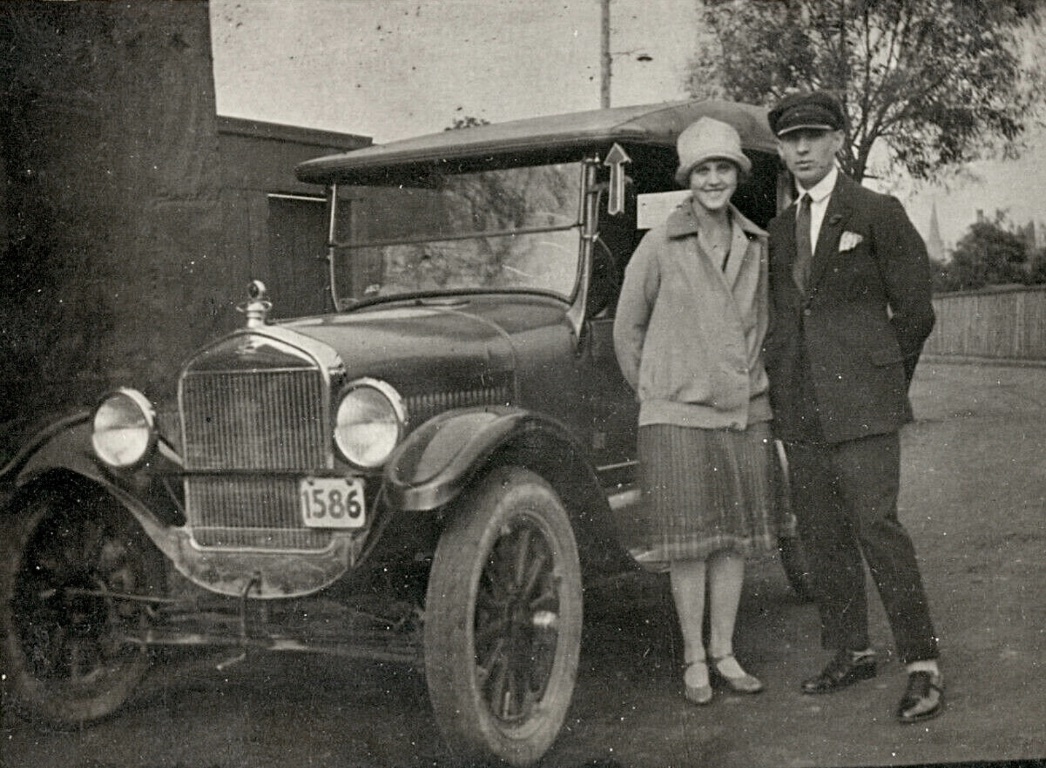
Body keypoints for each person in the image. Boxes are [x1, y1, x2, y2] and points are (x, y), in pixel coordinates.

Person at [763, 91, 944, 723]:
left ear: (838, 140)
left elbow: (916, 312)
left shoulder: (875, 211)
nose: (802, 149)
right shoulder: (779, 230)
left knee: (878, 528)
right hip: (800, 408)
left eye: (813, 136)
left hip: (863, 406)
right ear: (781, 149)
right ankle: (852, 650)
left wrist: (882, 383)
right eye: (791, 140)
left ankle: (923, 664)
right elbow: (783, 317)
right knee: (821, 533)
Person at [613, 116, 776, 706]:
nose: (713, 180)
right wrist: (660, 390)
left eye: (723, 168)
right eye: (703, 169)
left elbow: (764, 327)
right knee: (688, 545)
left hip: (743, 415)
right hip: (676, 420)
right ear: (688, 178)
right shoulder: (660, 243)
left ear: (737, 175)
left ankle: (725, 652)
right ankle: (694, 658)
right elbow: (627, 330)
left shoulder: (757, 245)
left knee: (732, 541)